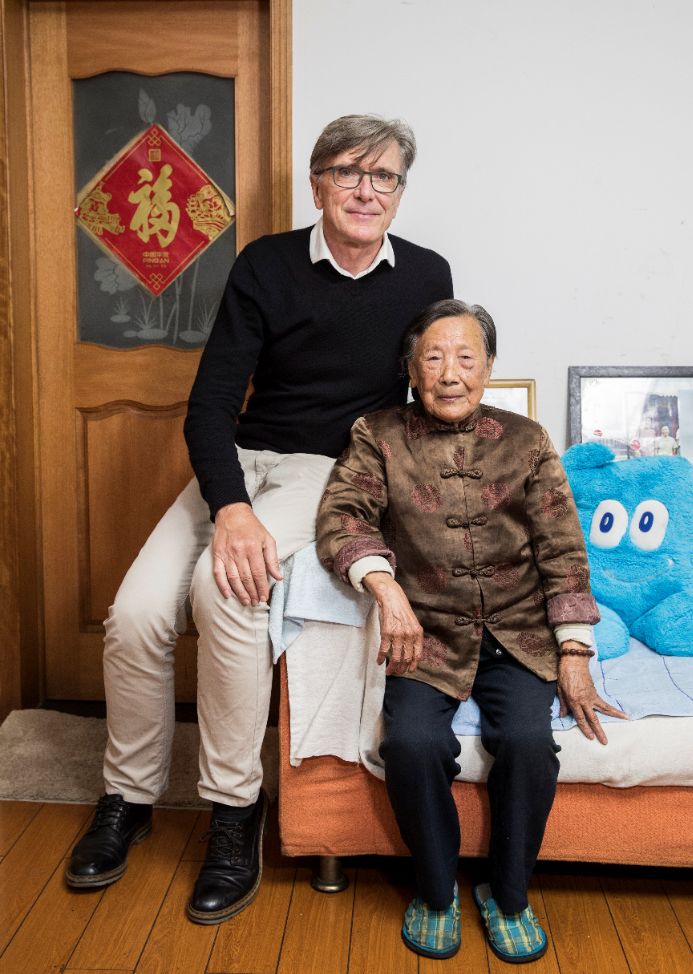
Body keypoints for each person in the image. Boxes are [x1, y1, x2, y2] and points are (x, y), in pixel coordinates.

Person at [65, 115, 453, 924]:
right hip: (243, 457)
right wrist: (231, 503)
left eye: (384, 177)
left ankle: (233, 810)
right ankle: (127, 797)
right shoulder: (266, 264)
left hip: (325, 467)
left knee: (227, 591)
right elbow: (212, 401)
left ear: (399, 192)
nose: (366, 191)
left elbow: (432, 391)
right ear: (317, 184)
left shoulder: (425, 274)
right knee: (135, 613)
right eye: (348, 172)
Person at [316, 299, 628, 963]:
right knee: (411, 745)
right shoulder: (377, 434)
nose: (449, 373)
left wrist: (574, 650)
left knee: (527, 743)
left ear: (488, 369)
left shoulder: (526, 439)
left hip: (519, 632)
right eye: (433, 358)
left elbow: (562, 547)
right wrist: (385, 587)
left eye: (465, 358)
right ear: (410, 369)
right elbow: (342, 518)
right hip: (425, 635)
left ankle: (506, 894)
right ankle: (435, 893)